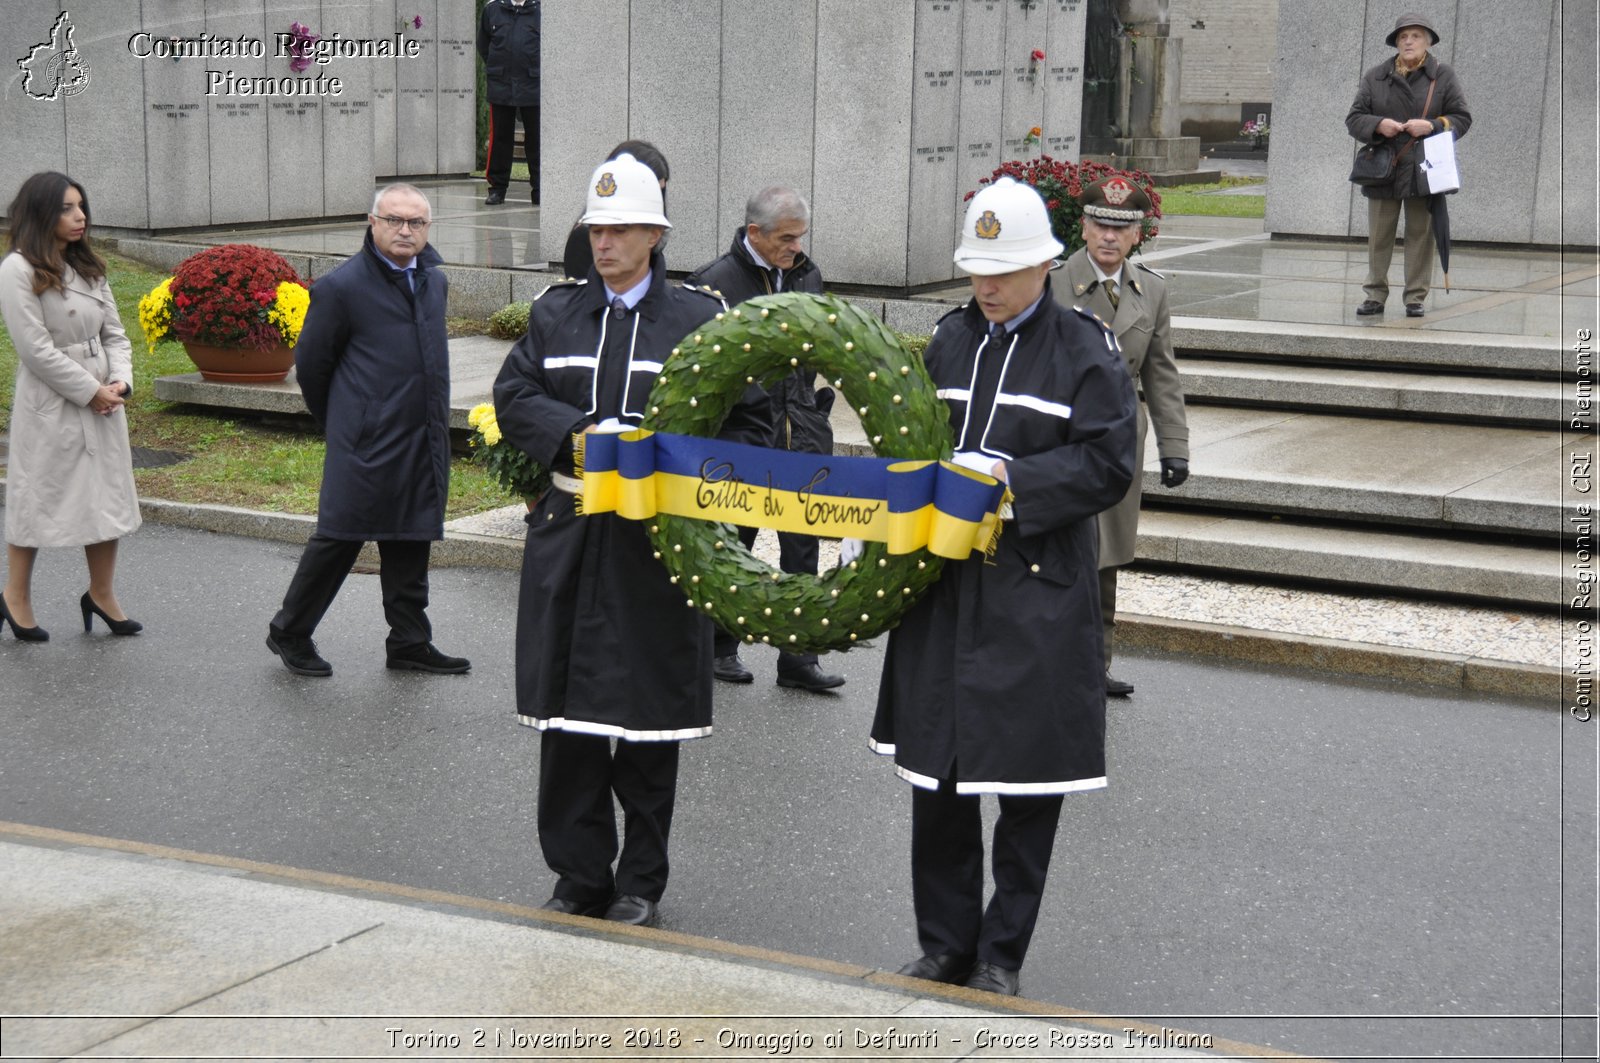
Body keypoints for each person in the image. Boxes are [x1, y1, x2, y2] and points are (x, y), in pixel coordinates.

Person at [871, 177, 1136, 996]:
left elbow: (1107, 464)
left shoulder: (1086, 349)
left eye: (1003, 272)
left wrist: (1011, 479)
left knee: (1027, 787)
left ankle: (1000, 954)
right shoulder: (950, 340)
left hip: (1034, 592)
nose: (985, 287)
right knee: (939, 776)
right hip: (946, 589)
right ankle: (946, 941)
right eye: (976, 271)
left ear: (1044, 266)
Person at [493, 153, 727, 927]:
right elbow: (515, 392)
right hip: (569, 532)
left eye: (621, 228)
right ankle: (578, 873)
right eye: (597, 227)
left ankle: (639, 881)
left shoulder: (699, 319)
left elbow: (748, 420)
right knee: (567, 722)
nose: (605, 242)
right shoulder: (557, 312)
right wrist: (577, 435)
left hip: (658, 544)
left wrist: (678, 464)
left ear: (655, 234)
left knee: (649, 722)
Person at [266, 184, 467, 678]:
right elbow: (313, 366)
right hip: (365, 440)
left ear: (428, 229)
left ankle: (409, 641)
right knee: (339, 537)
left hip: (421, 434)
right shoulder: (342, 287)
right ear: (372, 223)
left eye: (416, 223)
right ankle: (289, 631)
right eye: (394, 220)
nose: (405, 230)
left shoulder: (434, 282)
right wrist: (344, 422)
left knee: (411, 535)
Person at [687, 186, 844, 692]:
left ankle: (798, 658)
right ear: (754, 233)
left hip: (801, 430)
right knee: (738, 540)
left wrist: (814, 406)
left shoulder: (806, 274)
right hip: (744, 435)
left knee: (804, 543)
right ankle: (719, 645)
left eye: (800, 237)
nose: (796, 247)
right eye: (786, 238)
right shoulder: (713, 285)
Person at [0, 172, 142, 642]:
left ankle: (101, 594)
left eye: (81, 205)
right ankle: (15, 597)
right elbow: (35, 350)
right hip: (52, 401)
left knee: (105, 497)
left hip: (103, 399)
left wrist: (120, 380)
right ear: (41, 213)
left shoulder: (88, 266)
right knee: (35, 496)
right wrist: (90, 390)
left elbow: (115, 334)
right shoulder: (17, 270)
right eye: (66, 207)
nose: (80, 216)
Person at [1064, 176, 1190, 697]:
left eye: (1122, 227)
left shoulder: (1152, 289)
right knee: (1056, 549)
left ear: (1138, 235)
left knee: (1107, 554)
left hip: (1118, 440)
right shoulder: (1049, 283)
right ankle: (1048, 657)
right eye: (1100, 225)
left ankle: (1096, 664)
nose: (1109, 237)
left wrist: (1174, 446)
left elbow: (1161, 373)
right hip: (1060, 435)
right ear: (1083, 227)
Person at [1346, 12, 1470, 319]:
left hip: (1423, 170)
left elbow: (1462, 118)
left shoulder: (1444, 75)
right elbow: (1354, 118)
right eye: (1403, 36)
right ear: (1396, 42)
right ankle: (1374, 295)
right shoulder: (1376, 75)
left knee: (1420, 235)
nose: (1409, 41)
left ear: (1427, 41)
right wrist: (1379, 125)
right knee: (1380, 236)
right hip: (1384, 169)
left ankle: (1415, 297)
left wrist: (1432, 125)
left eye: (1415, 36)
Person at [561, 140, 668, 280]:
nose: (603, 244)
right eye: (597, 232)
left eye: (661, 191)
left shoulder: (651, 233)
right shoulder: (583, 238)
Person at [477, 0, 541, 205]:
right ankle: (497, 188)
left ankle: (540, 188)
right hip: (501, 84)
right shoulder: (492, 9)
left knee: (537, 140)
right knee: (500, 140)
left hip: (534, 83)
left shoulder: (541, 9)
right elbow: (484, 45)